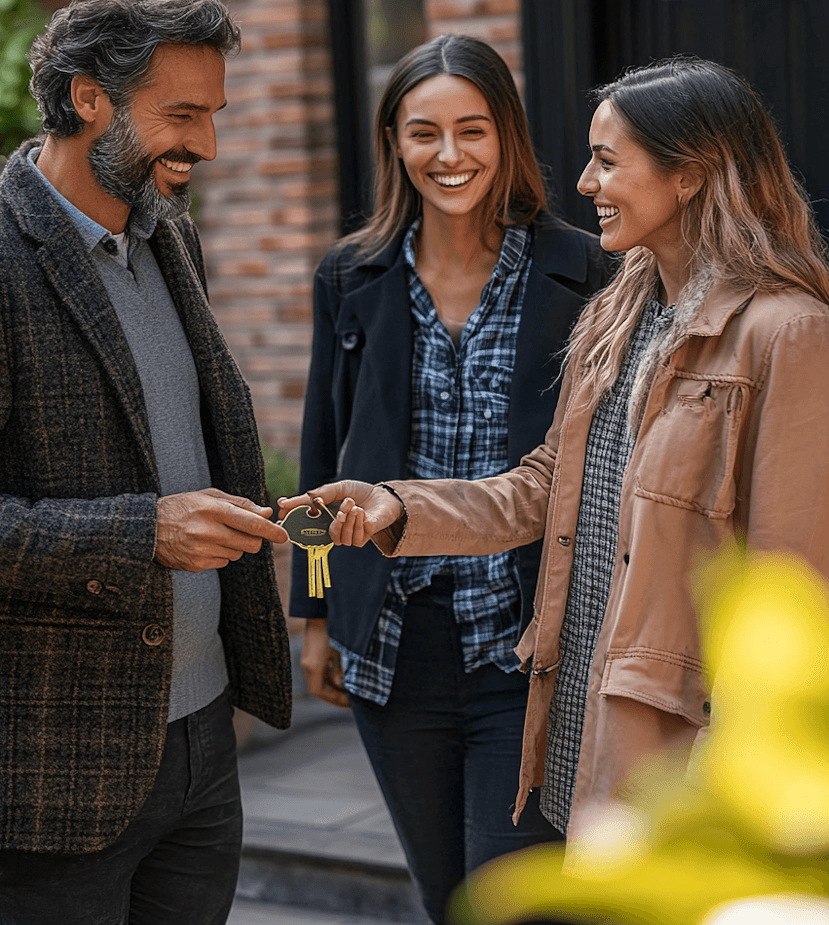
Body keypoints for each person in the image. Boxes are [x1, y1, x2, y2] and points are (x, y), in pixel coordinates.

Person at [283, 55, 829, 845]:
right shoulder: (622, 310)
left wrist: (742, 759)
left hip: (687, 734)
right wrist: (398, 505)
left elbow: (792, 594)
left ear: (689, 175)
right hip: (577, 696)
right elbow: (549, 485)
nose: (583, 182)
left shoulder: (788, 332)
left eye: (607, 161)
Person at [0, 0, 292, 925]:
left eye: (213, 114)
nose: (206, 145)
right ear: (88, 96)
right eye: (181, 115)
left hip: (203, 745)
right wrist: (145, 534)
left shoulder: (171, 239)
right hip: (52, 771)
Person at [288, 34, 611, 922]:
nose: (450, 156)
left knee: (512, 903)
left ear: (506, 135)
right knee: (446, 897)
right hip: (396, 643)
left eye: (473, 130)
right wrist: (315, 613)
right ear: (394, 140)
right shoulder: (351, 274)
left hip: (530, 639)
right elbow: (325, 460)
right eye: (424, 132)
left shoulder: (587, 272)